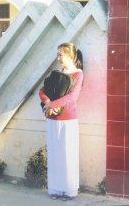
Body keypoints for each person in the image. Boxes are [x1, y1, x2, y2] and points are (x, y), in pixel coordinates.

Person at [39, 42, 83, 201]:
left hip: (68, 121)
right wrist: (46, 102)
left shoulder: (78, 74)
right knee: (55, 154)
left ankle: (69, 191)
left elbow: (72, 98)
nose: (57, 58)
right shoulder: (57, 73)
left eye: (60, 55)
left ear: (70, 55)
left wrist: (52, 104)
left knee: (67, 155)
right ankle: (56, 189)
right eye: (57, 54)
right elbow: (42, 91)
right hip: (52, 120)